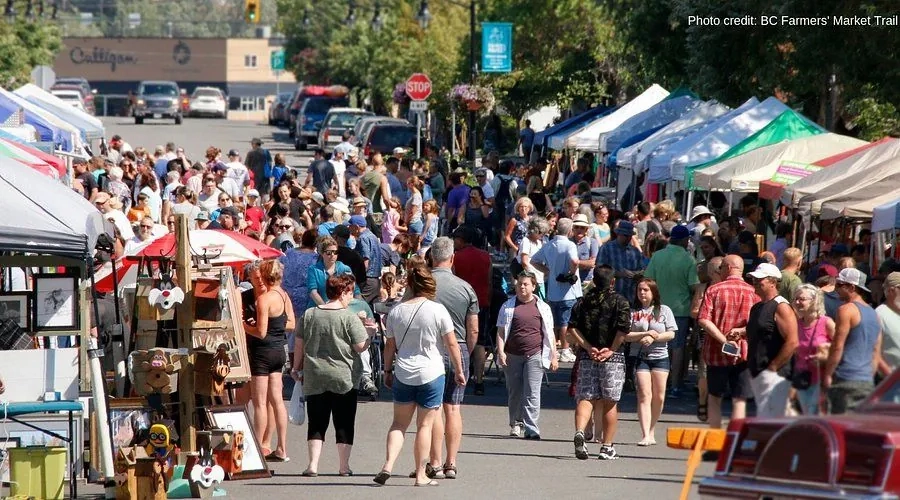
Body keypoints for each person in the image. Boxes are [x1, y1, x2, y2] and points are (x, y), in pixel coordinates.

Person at [374, 258, 466, 487]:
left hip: (404, 371)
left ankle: (388, 465)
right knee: (424, 426)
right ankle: (420, 475)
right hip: (431, 372)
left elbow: (389, 346)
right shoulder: (438, 310)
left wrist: (387, 370)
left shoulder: (396, 311)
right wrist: (459, 370)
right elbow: (452, 344)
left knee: (398, 424)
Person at [293, 274, 370, 476]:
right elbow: (360, 346)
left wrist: (295, 367)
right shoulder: (349, 317)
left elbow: (299, 343)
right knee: (344, 422)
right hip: (343, 376)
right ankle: (344, 466)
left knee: (316, 422)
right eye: (350, 292)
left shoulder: (309, 314)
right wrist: (370, 334)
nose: (351, 297)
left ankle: (313, 465)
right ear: (342, 293)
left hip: (315, 373)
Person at [425, 238, 479, 479]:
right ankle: (451, 462)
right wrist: (466, 351)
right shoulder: (465, 288)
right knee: (454, 408)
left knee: (433, 408)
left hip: (430, 348)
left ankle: (435, 462)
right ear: (452, 258)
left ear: (431, 257)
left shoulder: (423, 284)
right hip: (459, 346)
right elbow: (473, 329)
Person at [697, 255, 759, 461]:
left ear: (729, 268)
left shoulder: (714, 290)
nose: (720, 270)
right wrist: (742, 332)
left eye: (722, 267)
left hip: (717, 353)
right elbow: (758, 323)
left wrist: (723, 340)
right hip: (744, 353)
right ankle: (735, 445)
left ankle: (716, 446)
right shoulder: (753, 292)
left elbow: (703, 320)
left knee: (715, 398)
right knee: (739, 400)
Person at [567, 265, 631, 460]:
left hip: (588, 356)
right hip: (613, 358)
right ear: (613, 281)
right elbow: (623, 329)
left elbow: (572, 328)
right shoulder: (620, 301)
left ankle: (580, 431)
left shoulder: (583, 301)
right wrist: (611, 349)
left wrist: (587, 347)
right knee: (610, 402)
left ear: (594, 281)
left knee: (586, 397)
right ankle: (607, 446)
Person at [497, 270, 558, 440]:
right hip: (512, 354)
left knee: (532, 392)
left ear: (533, 286)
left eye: (525, 284)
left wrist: (553, 356)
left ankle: (531, 428)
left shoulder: (543, 307)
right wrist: (501, 351)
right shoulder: (507, 306)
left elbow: (550, 333)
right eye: (519, 284)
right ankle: (516, 423)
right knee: (515, 391)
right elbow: (501, 331)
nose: (522, 287)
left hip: (535, 354)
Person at [243, 259, 294, 463]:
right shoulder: (283, 295)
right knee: (277, 401)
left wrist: (244, 325)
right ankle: (282, 447)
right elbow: (287, 323)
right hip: (279, 350)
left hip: (262, 353)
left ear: (264, 276)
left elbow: (261, 332)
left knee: (260, 403)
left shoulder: (264, 299)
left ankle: (256, 449)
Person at [643, 224, 698, 397]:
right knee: (678, 347)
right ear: (684, 240)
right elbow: (694, 286)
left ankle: (659, 383)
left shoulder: (657, 256)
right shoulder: (689, 259)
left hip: (658, 308)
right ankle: (674, 386)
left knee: (658, 345)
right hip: (680, 309)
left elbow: (647, 280)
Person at [824, 268, 884, 413]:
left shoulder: (846, 310)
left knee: (840, 424)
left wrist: (828, 374)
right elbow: (876, 353)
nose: (835, 289)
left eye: (839, 285)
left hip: (845, 379)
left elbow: (837, 346)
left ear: (852, 287)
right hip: (866, 382)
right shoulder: (874, 315)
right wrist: (867, 377)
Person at [744, 263, 799, 418]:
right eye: (754, 279)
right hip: (759, 373)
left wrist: (772, 368)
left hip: (775, 376)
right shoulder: (757, 307)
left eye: (759, 279)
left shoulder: (781, 306)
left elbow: (792, 341)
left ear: (773, 282)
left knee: (774, 419)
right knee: (765, 417)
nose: (755, 282)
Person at [626, 278, 676, 446]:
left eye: (646, 290)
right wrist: (643, 335)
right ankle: (645, 434)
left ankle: (652, 429)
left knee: (659, 397)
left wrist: (655, 337)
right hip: (640, 357)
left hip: (660, 357)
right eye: (639, 289)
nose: (642, 293)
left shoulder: (664, 310)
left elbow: (671, 333)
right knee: (644, 394)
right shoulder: (632, 311)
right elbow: (625, 335)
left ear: (653, 292)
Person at [530, 218, 581, 363]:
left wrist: (548, 271)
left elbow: (534, 260)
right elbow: (575, 261)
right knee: (565, 322)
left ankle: (552, 349)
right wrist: (572, 273)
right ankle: (565, 349)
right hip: (568, 291)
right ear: (570, 231)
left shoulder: (549, 244)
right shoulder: (570, 245)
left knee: (553, 322)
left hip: (553, 290)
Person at [451, 226, 493, 395]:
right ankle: (479, 381)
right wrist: (488, 299)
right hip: (481, 301)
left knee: (458, 338)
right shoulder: (486, 256)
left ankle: (460, 373)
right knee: (480, 342)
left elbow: (453, 281)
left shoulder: (456, 257)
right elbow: (489, 281)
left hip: (461, 303)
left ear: (461, 240)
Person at [792, 284, 835, 415]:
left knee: (818, 417)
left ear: (814, 301)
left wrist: (825, 354)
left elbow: (840, 346)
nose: (797, 302)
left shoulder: (826, 322)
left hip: (821, 380)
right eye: (796, 299)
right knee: (807, 416)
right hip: (802, 380)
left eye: (801, 299)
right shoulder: (796, 324)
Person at [596, 220, 645, 304]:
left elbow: (642, 271)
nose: (628, 238)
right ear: (618, 234)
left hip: (631, 297)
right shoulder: (606, 248)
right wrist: (618, 273)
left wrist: (635, 274)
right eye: (626, 235)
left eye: (630, 236)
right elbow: (599, 271)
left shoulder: (635, 252)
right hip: (611, 297)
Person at [307, 236, 355, 308]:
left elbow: (353, 289)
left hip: (340, 308)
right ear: (322, 253)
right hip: (319, 308)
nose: (332, 255)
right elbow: (313, 292)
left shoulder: (345, 269)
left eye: (335, 252)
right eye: (329, 252)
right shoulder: (313, 270)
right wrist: (326, 307)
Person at [349, 215, 382, 305]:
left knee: (358, 305)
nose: (349, 228)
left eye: (350, 226)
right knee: (372, 307)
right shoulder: (373, 236)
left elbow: (365, 258)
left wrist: (360, 277)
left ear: (356, 227)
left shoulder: (363, 238)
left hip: (368, 279)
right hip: (375, 279)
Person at [517, 217, 549, 299]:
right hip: (532, 280)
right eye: (541, 232)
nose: (542, 235)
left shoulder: (539, 242)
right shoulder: (526, 241)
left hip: (540, 279)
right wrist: (533, 279)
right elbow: (524, 262)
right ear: (534, 231)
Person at [876, 272, 900, 377]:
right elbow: (873, 351)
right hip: (890, 380)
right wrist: (890, 377)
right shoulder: (879, 314)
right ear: (891, 290)